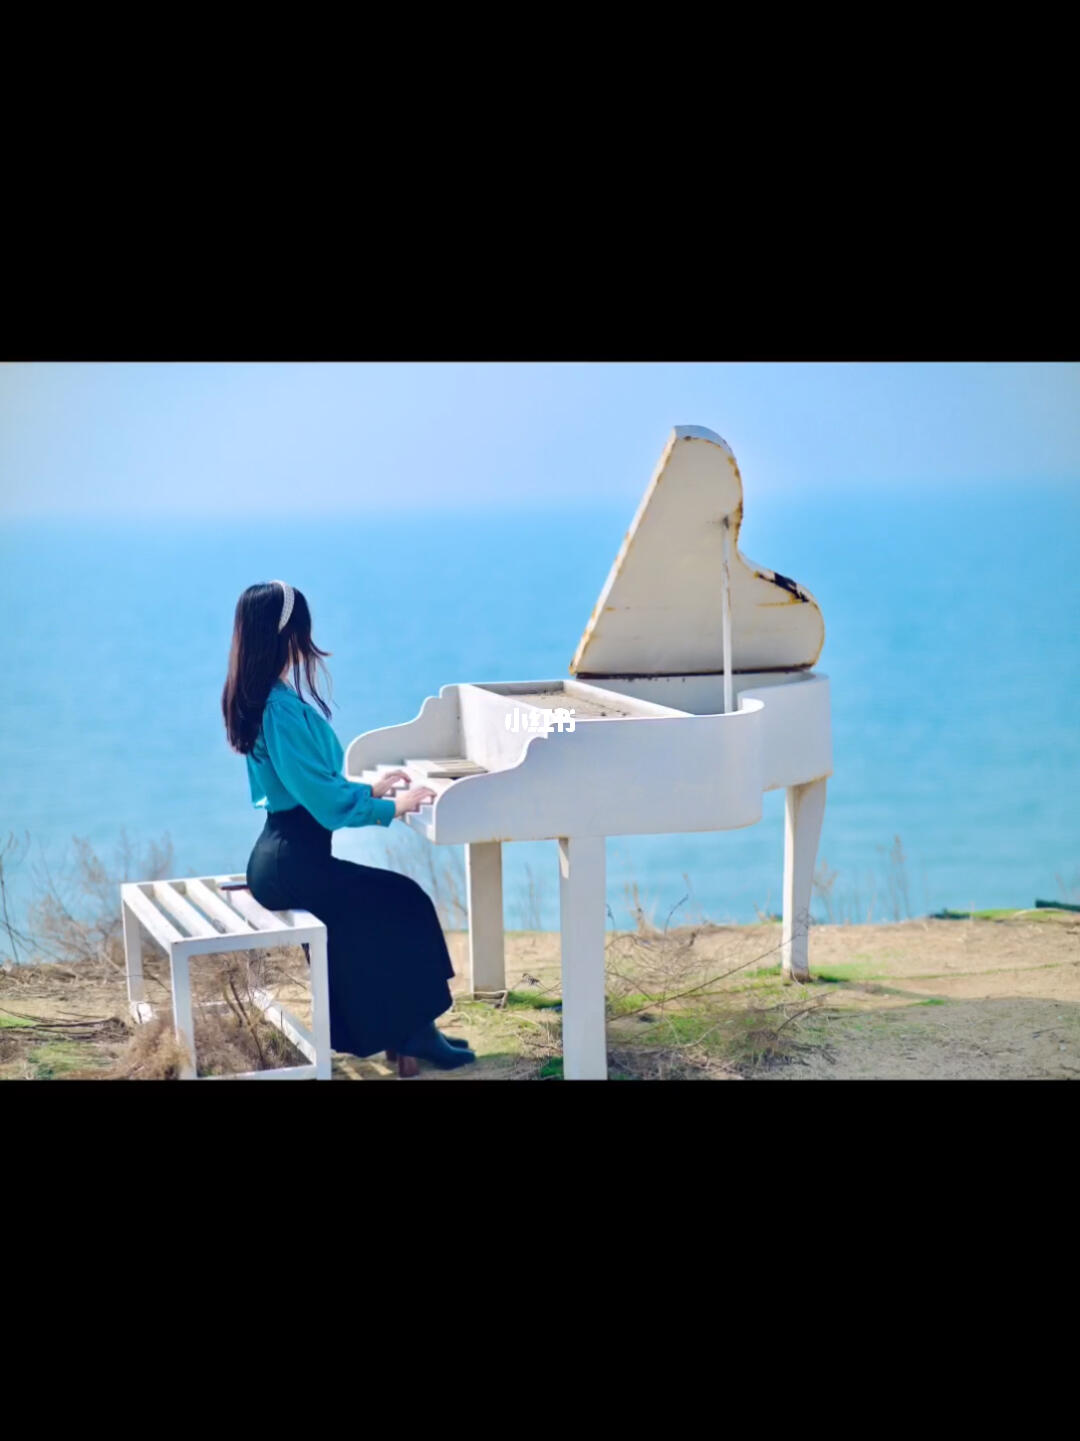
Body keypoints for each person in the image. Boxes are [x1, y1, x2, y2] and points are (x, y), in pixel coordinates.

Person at [221, 579, 475, 1075]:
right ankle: (417, 1034)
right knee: (405, 901)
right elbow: (322, 803)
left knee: (375, 915)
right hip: (293, 865)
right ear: (287, 634)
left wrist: (370, 789)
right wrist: (392, 807)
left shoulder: (262, 697)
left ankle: (406, 1034)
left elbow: (309, 784)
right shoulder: (279, 708)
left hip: (285, 857)